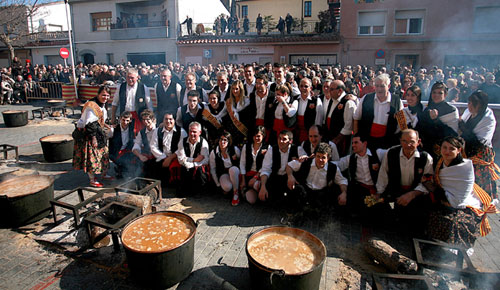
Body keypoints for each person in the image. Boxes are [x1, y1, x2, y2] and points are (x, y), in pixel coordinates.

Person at [426, 136, 498, 253]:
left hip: (463, 204)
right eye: (445, 148)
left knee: (455, 222)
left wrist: (434, 189)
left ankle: (454, 250)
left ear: (459, 150)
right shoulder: (440, 161)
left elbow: (458, 201)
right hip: (443, 198)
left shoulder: (465, 169)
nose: (447, 151)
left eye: (451, 149)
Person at [376, 129, 434, 234]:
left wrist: (412, 194)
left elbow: (428, 182)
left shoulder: (425, 158)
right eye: (404, 141)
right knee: (389, 209)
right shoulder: (392, 153)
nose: (408, 145)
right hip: (394, 193)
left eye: (412, 142)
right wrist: (379, 193)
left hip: (415, 195)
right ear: (400, 141)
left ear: (418, 142)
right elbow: (383, 174)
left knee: (415, 218)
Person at [286, 142, 348, 215]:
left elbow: (342, 181)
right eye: (318, 156)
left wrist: (344, 193)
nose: (320, 160)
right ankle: (291, 216)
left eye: (323, 157)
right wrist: (290, 176)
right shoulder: (306, 162)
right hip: (305, 191)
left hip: (321, 195)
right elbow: (289, 165)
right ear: (315, 155)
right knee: (296, 190)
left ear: (328, 158)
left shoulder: (333, 168)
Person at [335, 133, 385, 219]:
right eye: (352, 143)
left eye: (356, 143)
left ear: (364, 143)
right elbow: (336, 164)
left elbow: (392, 153)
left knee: (384, 207)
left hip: (377, 190)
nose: (353, 145)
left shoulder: (378, 153)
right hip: (360, 190)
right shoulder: (350, 158)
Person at [459, 91, 498, 200]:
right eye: (469, 102)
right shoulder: (468, 112)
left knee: (480, 183)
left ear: (481, 105)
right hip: (466, 151)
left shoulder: (488, 118)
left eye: (474, 103)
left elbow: (479, 141)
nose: (470, 106)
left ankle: (484, 201)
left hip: (480, 153)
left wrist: (462, 127)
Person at [73, 85, 112, 188]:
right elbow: (90, 123)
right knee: (92, 158)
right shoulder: (91, 106)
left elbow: (101, 120)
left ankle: (104, 174)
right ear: (98, 94)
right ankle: (92, 179)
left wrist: (108, 126)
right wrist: (93, 138)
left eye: (108, 95)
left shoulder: (102, 104)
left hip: (99, 132)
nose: (105, 97)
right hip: (90, 135)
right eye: (103, 95)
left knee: (104, 154)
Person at [353, 73, 403, 151]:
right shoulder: (366, 98)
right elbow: (356, 118)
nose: (379, 89)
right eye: (377, 86)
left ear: (389, 86)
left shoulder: (397, 101)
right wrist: (356, 138)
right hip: (367, 141)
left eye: (382, 86)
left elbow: (402, 124)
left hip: (388, 142)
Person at [419, 82, 459, 160]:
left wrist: (436, 120)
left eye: (440, 93)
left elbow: (452, 133)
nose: (436, 95)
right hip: (426, 148)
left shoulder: (451, 110)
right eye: (434, 92)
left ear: (445, 94)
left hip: (442, 150)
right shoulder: (427, 109)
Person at [259, 130, 298, 204]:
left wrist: (291, 175)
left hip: (289, 178)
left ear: (290, 141)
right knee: (268, 199)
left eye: (284, 139)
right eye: (279, 138)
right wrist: (263, 186)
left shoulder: (297, 149)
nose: (281, 141)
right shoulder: (272, 150)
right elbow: (265, 169)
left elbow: (303, 159)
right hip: (276, 177)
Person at [111, 68, 152, 134]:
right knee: (125, 136)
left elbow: (149, 105)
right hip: (125, 116)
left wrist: (151, 119)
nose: (130, 80)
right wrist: (113, 117)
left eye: (132, 78)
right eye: (128, 77)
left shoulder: (143, 87)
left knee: (138, 137)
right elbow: (115, 103)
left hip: (138, 116)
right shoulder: (120, 87)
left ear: (137, 77)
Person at [150, 113, 186, 186]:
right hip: (162, 156)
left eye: (170, 119)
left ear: (174, 120)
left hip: (175, 157)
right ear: (163, 120)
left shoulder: (181, 132)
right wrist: (163, 157)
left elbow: (183, 148)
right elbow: (153, 146)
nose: (168, 121)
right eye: (166, 119)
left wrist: (170, 158)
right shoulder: (157, 131)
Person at [176, 121, 210, 196]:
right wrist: (194, 160)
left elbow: (206, 160)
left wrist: (193, 164)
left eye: (194, 132)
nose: (192, 134)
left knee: (200, 170)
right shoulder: (182, 141)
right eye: (190, 131)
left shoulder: (204, 143)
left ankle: (200, 190)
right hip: (186, 166)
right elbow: (181, 159)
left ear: (200, 132)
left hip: (197, 168)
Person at [326, 80, 356, 157]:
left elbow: (348, 126)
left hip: (342, 141)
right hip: (331, 139)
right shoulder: (332, 100)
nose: (329, 91)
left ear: (340, 90)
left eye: (332, 89)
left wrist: (336, 140)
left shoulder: (348, 103)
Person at [209, 131, 241, 205]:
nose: (222, 142)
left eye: (225, 140)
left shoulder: (234, 149)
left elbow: (241, 162)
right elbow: (212, 169)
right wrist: (218, 184)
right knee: (227, 187)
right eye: (221, 139)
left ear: (229, 142)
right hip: (224, 173)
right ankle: (232, 189)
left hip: (235, 173)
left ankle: (236, 193)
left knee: (233, 169)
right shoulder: (214, 152)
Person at [239, 126, 269, 205]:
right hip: (248, 175)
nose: (256, 138)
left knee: (257, 185)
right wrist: (243, 180)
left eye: (258, 136)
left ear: (263, 136)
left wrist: (256, 177)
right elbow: (242, 163)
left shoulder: (268, 148)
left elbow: (266, 166)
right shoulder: (246, 146)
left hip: (260, 176)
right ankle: (247, 191)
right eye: (254, 136)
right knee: (251, 200)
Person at [294, 78, 324, 144]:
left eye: (306, 86)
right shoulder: (295, 99)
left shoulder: (316, 100)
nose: (303, 88)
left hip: (309, 134)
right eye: (301, 86)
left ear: (310, 88)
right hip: (296, 133)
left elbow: (319, 120)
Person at [247, 74, 275, 142]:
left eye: (260, 83)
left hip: (267, 125)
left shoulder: (272, 96)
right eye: (256, 83)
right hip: (255, 124)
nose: (258, 86)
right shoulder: (252, 95)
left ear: (266, 84)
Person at [109, 111, 136, 178]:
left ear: (130, 121)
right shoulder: (113, 130)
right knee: (123, 163)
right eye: (123, 120)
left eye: (127, 120)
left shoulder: (131, 129)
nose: (125, 122)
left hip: (127, 150)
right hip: (116, 152)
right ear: (120, 119)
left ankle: (122, 170)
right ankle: (120, 169)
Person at [223, 80, 250, 147]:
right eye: (233, 89)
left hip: (243, 131)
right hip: (232, 131)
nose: (234, 91)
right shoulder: (229, 102)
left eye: (237, 89)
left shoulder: (247, 101)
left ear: (241, 89)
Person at [132, 109, 157, 177]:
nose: (145, 122)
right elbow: (136, 145)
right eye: (143, 120)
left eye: (148, 119)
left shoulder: (159, 130)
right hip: (147, 155)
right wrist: (140, 156)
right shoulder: (141, 132)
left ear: (153, 119)